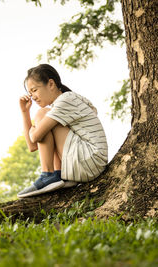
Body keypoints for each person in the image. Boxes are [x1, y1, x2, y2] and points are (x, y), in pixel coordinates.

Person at [17, 64, 108, 198]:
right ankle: (56, 175)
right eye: (30, 94)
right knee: (44, 117)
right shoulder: (62, 104)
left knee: (42, 114)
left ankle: (48, 174)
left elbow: (34, 137)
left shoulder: (66, 100)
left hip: (90, 160)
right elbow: (32, 146)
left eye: (35, 90)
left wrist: (34, 130)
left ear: (51, 84)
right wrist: (25, 112)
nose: (33, 97)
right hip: (89, 163)